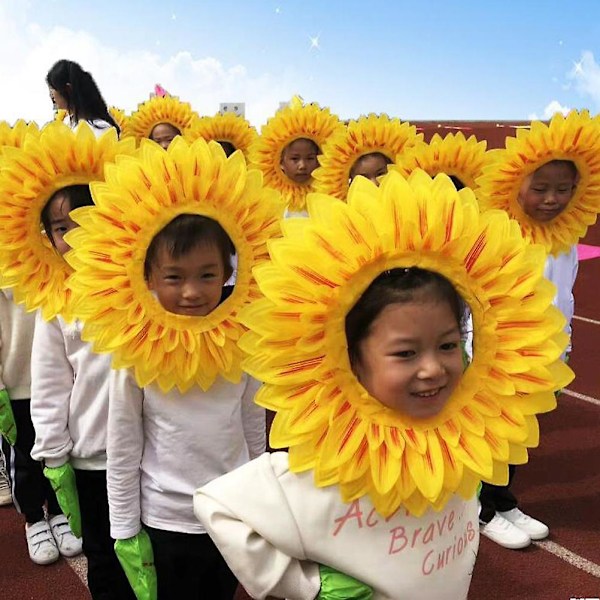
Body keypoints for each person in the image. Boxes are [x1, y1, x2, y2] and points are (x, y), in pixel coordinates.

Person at [193, 170, 569, 599]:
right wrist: (306, 588)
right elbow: (218, 505)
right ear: (349, 358)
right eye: (405, 353)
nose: (433, 369)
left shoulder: (464, 441)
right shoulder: (328, 465)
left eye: (447, 345)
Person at [107, 214, 266, 600]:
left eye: (207, 276)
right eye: (174, 278)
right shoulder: (136, 355)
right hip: (166, 519)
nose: (192, 291)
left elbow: (252, 426)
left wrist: (262, 501)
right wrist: (124, 529)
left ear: (229, 272)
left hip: (229, 514)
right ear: (148, 278)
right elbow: (124, 445)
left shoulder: (243, 342)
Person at [475, 110, 600, 550]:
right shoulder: (501, 232)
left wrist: (563, 349)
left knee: (520, 434)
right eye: (541, 188)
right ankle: (481, 510)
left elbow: (564, 297)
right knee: (492, 433)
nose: (552, 199)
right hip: (501, 355)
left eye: (563, 190)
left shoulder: (563, 238)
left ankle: (503, 499)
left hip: (545, 353)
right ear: (515, 183)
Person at [29, 184, 135, 597]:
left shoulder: (142, 285)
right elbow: (50, 384)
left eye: (87, 218)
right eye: (60, 227)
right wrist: (54, 454)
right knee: (104, 554)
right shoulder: (57, 304)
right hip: (93, 457)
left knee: (149, 552)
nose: (75, 235)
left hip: (148, 456)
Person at [46, 59, 120, 136]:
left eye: (52, 89)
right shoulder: (66, 123)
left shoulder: (100, 130)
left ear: (68, 89)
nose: (51, 95)